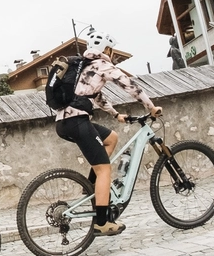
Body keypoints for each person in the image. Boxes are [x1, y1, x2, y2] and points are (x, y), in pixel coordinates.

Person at [55, 28, 162, 236]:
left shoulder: (83, 66)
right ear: (106, 49)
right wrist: (151, 107)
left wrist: (115, 115)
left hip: (64, 121)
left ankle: (92, 189)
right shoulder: (102, 65)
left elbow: (95, 96)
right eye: (111, 50)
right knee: (104, 170)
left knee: (111, 138)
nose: (112, 54)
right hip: (77, 121)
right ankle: (101, 223)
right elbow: (130, 86)